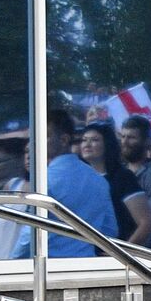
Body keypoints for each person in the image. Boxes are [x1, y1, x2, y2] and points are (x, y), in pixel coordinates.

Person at [13, 109, 118, 258]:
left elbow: (29, 233)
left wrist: (11, 261)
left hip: (48, 266)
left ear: (63, 140)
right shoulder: (98, 179)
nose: (32, 143)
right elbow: (109, 229)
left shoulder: (44, 180)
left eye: (42, 136)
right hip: (85, 264)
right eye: (32, 137)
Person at [78, 122, 151, 247]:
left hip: (115, 257)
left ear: (107, 144)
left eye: (94, 140)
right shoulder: (78, 179)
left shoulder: (122, 177)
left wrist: (122, 252)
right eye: (84, 140)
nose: (87, 144)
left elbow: (146, 222)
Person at [118, 116, 151, 248]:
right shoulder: (120, 172)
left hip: (141, 251)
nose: (125, 142)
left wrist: (125, 250)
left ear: (147, 141)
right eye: (123, 136)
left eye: (131, 138)